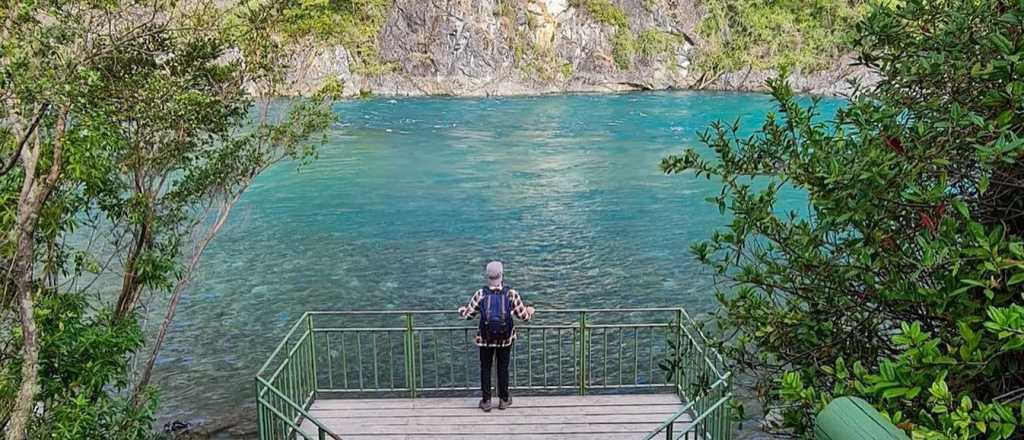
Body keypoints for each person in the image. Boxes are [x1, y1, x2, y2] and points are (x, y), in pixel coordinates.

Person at [458, 261, 535, 412]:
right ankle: (504, 399)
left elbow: (468, 315)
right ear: (502, 275)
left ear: (487, 276)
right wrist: (529, 311)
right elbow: (524, 317)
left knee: (485, 368)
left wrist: (461, 310)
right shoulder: (511, 294)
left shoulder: (481, 294)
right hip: (505, 339)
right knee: (503, 368)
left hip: (485, 339)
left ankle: (486, 401)